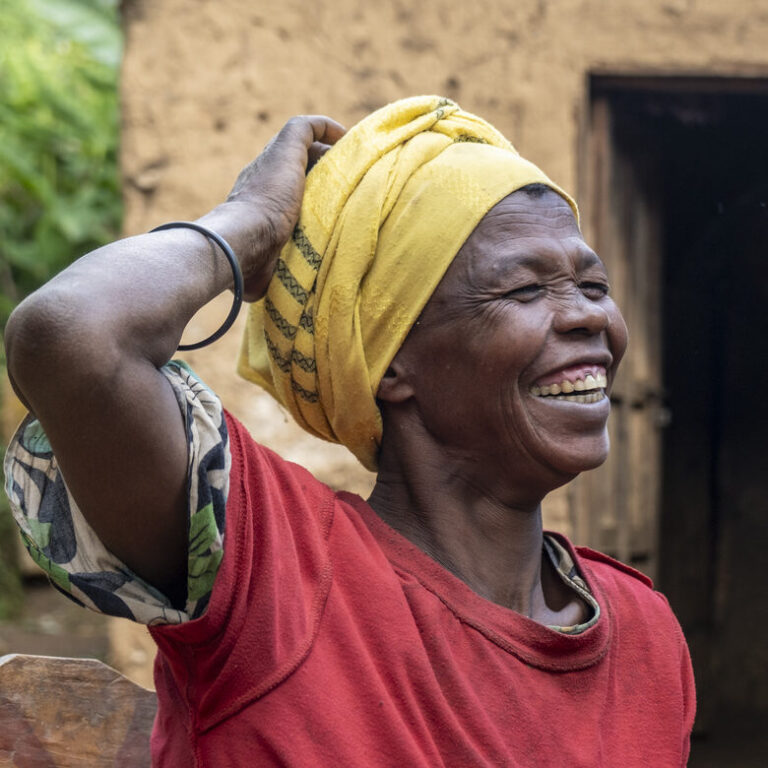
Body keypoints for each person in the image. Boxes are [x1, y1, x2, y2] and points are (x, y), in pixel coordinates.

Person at [4, 96, 695, 766]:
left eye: (594, 287)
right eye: (523, 291)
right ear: (389, 363)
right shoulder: (278, 571)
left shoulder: (644, 632)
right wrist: (250, 221)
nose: (589, 319)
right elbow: (69, 336)